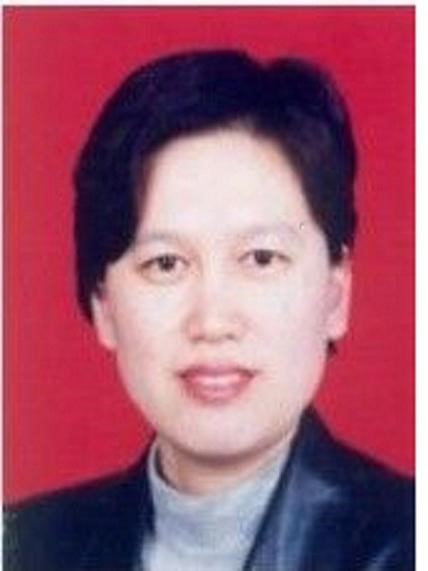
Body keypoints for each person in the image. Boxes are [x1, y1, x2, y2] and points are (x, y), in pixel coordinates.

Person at [4, 50, 414, 571]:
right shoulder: (23, 545)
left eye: (261, 258)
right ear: (103, 303)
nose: (212, 322)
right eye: (166, 263)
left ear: (336, 294)